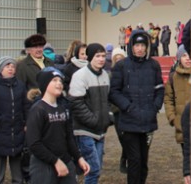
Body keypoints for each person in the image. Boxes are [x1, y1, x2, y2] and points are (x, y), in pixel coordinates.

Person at [109, 30, 164, 184]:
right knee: (134, 160)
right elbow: (113, 92)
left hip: (148, 121)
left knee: (144, 161)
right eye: (137, 45)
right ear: (131, 47)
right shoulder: (121, 66)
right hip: (129, 122)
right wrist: (127, 107)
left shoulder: (154, 65)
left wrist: (155, 107)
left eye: (143, 45)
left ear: (147, 47)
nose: (140, 48)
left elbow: (160, 89)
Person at [26, 68, 90, 183]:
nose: (59, 84)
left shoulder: (62, 108)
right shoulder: (38, 109)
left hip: (65, 161)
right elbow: (34, 144)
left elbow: (69, 137)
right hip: (44, 165)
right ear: (45, 84)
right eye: (54, 80)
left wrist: (79, 157)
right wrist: (55, 161)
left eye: (60, 81)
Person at [0, 57, 31, 184]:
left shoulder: (20, 86)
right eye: (7, 66)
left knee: (17, 162)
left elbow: (26, 106)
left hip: (17, 130)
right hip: (0, 130)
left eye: (12, 66)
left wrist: (26, 122)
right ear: (0, 69)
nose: (10, 69)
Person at [68, 43, 111, 184]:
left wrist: (108, 117)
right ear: (90, 57)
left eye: (103, 56)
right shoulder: (80, 76)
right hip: (85, 130)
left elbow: (108, 100)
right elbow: (76, 103)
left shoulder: (105, 75)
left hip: (101, 130)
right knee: (94, 169)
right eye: (98, 56)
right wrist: (93, 120)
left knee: (96, 169)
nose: (101, 59)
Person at [164, 45, 191, 152]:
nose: (188, 58)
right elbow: (168, 99)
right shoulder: (173, 77)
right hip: (182, 127)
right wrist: (172, 118)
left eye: (190, 55)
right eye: (184, 55)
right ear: (179, 58)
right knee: (187, 160)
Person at [110, 47, 128, 174]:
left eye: (120, 58)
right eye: (116, 59)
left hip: (128, 110)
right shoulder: (110, 74)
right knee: (122, 137)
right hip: (116, 111)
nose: (118, 61)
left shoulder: (129, 73)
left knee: (128, 137)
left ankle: (125, 159)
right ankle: (124, 158)